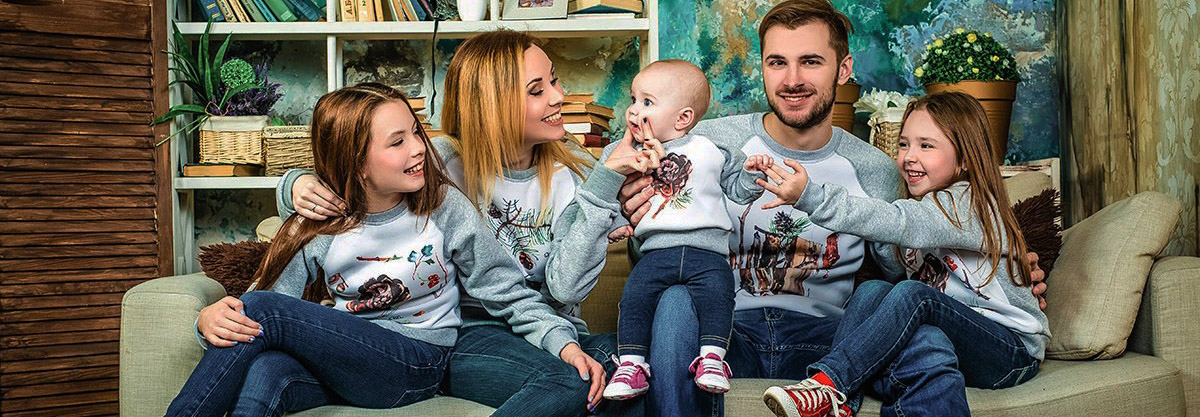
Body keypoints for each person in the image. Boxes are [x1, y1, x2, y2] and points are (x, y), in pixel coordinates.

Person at [615, 1, 1048, 416]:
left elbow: (902, 261)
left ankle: (829, 391)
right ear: (762, 66)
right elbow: (650, 249)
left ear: (843, 69)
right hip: (723, 334)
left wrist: (1003, 268)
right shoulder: (703, 141)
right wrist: (635, 215)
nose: (792, 79)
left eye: (811, 61)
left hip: (829, 339)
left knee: (921, 339)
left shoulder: (878, 170)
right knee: (674, 302)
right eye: (777, 62)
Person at [279, 31, 642, 416]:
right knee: (578, 382)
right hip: (475, 335)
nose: (558, 96)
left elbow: (567, 287)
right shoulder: (441, 163)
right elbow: (357, 181)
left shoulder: (579, 170)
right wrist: (294, 185)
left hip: (554, 331)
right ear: (492, 104)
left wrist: (619, 200)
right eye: (537, 90)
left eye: (554, 80)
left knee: (634, 366)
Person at [165, 83, 577, 416]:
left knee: (260, 310)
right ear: (357, 163)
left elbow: (504, 290)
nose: (419, 147)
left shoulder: (442, 207)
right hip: (348, 362)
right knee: (265, 372)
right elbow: (268, 303)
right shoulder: (318, 224)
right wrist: (209, 321)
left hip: (418, 360)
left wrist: (563, 341)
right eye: (397, 142)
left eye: (415, 132)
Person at [755, 91, 1049, 416]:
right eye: (905, 144)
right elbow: (896, 259)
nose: (909, 156)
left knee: (915, 294)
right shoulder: (920, 210)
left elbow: (900, 223)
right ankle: (839, 405)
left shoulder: (967, 204)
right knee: (873, 290)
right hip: (960, 338)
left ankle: (829, 383)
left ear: (965, 159)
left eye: (926, 146)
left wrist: (811, 197)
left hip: (1011, 349)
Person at [592, 59, 768, 400]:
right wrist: (617, 225)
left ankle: (712, 358)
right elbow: (611, 200)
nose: (633, 110)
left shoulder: (711, 150)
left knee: (718, 296)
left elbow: (739, 191)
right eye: (633, 99)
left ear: (683, 118)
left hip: (708, 253)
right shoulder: (628, 155)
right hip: (656, 252)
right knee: (634, 298)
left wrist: (752, 173)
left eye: (647, 102)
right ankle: (631, 365)